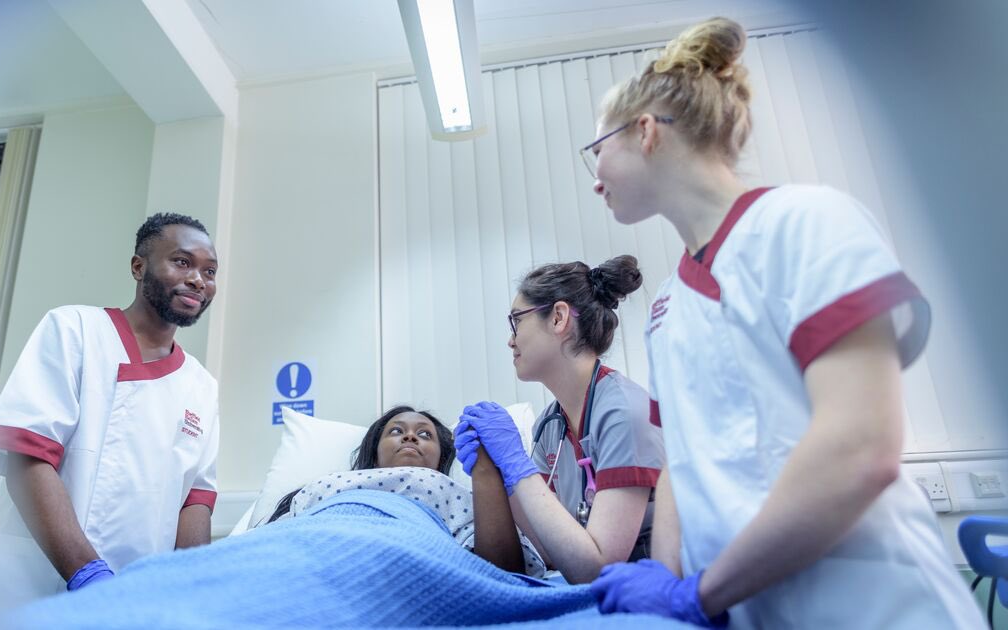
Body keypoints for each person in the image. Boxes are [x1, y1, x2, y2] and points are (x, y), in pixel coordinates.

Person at [580, 17, 983, 628]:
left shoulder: (807, 223)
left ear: (644, 132)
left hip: (878, 608)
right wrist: (670, 591)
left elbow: (859, 451)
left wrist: (701, 594)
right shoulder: (666, 310)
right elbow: (682, 472)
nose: (594, 179)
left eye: (598, 149)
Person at [0, 212, 222, 608]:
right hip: (36, 586)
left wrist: (191, 592)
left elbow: (194, 500)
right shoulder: (74, 329)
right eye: (182, 262)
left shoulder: (202, 387)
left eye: (209, 271)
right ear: (138, 267)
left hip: (137, 600)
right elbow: (28, 457)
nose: (198, 280)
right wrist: (88, 575)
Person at [455, 255, 664, 584]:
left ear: (558, 318)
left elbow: (596, 571)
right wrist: (500, 472)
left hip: (660, 585)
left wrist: (517, 465)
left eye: (516, 321)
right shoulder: (550, 425)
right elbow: (554, 550)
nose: (511, 339)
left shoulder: (625, 412)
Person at [265, 405, 544, 576]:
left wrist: (485, 472)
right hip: (316, 557)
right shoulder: (328, 485)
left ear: (440, 459)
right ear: (374, 455)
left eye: (425, 434)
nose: (410, 436)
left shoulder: (453, 494)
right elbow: (273, 543)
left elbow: (504, 571)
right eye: (396, 431)